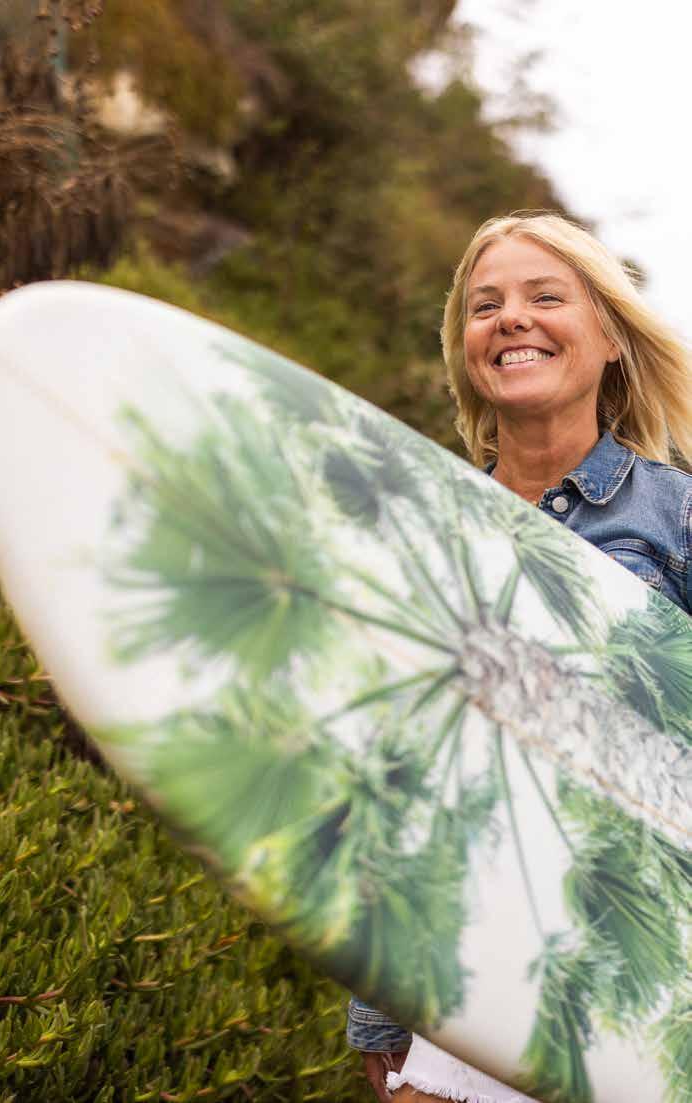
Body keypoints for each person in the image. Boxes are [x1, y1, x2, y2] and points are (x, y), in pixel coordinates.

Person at [348, 210, 692, 1102]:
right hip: (465, 977)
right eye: (485, 304)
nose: (510, 318)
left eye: (546, 297)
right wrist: (378, 1009)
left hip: (642, 977)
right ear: (467, 347)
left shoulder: (676, 520)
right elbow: (396, 777)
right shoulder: (423, 525)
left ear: (610, 338)